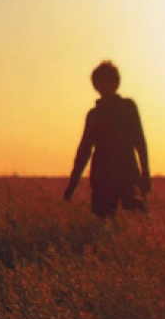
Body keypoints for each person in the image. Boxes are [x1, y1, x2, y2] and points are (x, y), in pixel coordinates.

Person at [64, 61, 151, 217]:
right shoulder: (94, 115)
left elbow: (140, 141)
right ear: (95, 85)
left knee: (137, 221)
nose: (105, 85)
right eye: (101, 81)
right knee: (103, 226)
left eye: (109, 80)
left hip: (128, 176)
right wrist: (72, 186)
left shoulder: (128, 107)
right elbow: (84, 151)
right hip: (102, 180)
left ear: (116, 82)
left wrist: (145, 174)